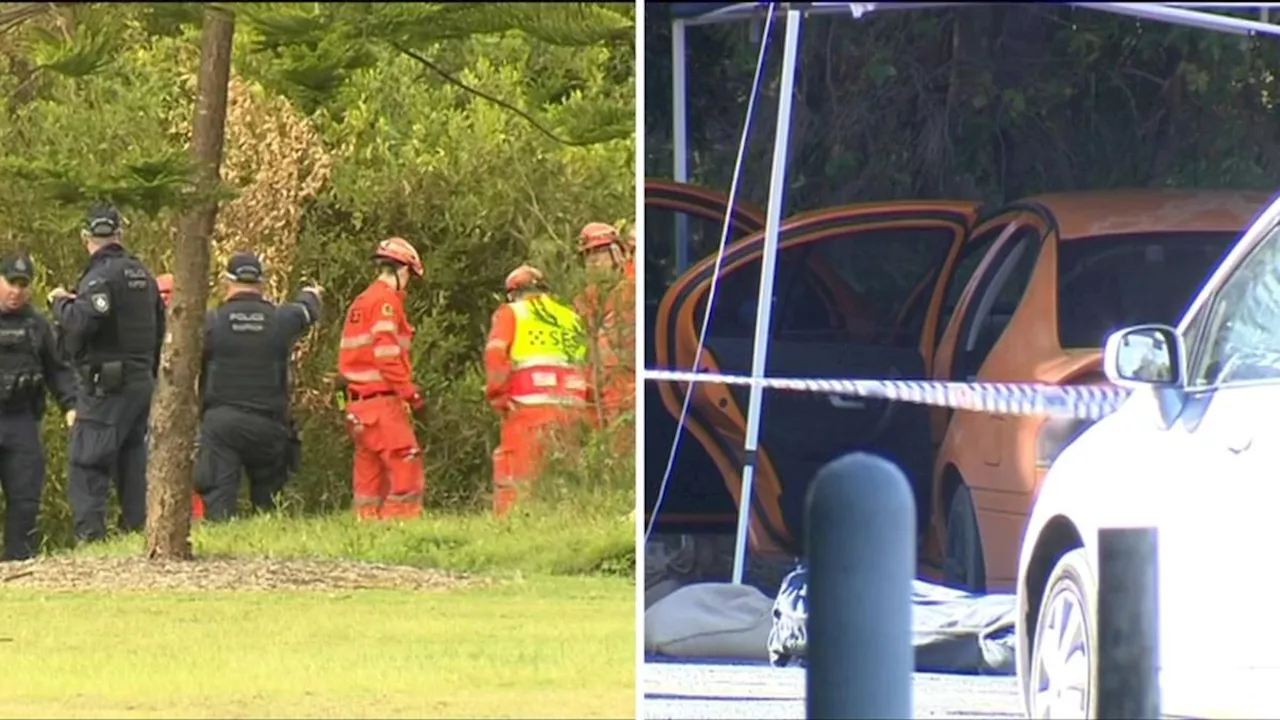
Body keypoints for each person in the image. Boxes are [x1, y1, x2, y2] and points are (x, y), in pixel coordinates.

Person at [48, 202, 165, 543]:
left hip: (107, 386)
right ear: (119, 234)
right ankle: (138, 535)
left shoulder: (100, 277)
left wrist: (60, 302)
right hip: (141, 383)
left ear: (86, 237)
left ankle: (91, 539)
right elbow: (160, 331)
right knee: (132, 460)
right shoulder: (144, 275)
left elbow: (83, 321)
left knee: (87, 462)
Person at [194, 253, 322, 522]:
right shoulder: (281, 320)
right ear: (262, 283)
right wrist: (311, 291)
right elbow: (309, 309)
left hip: (222, 424)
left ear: (227, 282)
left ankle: (221, 548)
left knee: (219, 503)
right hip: (269, 426)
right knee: (268, 506)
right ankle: (265, 544)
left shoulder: (211, 322)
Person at [484, 264, 591, 518]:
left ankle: (512, 527)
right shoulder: (571, 317)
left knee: (517, 474)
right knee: (565, 474)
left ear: (513, 293)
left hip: (528, 405)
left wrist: (497, 395)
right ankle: (567, 523)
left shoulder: (511, 312)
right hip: (572, 406)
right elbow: (585, 363)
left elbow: (495, 353)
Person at [336, 237, 427, 520]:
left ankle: (367, 531)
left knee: (369, 474)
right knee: (405, 465)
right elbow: (387, 355)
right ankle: (401, 528)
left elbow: (345, 366)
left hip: (358, 406)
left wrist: (343, 406)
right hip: (382, 403)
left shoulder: (361, 302)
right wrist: (413, 396)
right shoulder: (386, 302)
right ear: (402, 270)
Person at [0, 252, 78, 560]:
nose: (16, 291)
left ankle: (18, 566)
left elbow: (57, 370)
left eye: (23, 284)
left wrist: (71, 404)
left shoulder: (37, 325)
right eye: (10, 283)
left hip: (21, 421)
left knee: (25, 501)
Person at [151, 271, 208, 521]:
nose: (165, 300)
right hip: (154, 410)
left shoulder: (197, 329)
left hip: (191, 410)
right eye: (161, 294)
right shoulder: (146, 330)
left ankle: (196, 519)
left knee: (191, 471)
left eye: (168, 294)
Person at [574, 222, 635, 441]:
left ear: (616, 255)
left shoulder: (632, 292)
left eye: (600, 253)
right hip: (599, 406)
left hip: (629, 400)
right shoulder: (584, 303)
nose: (594, 262)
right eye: (588, 256)